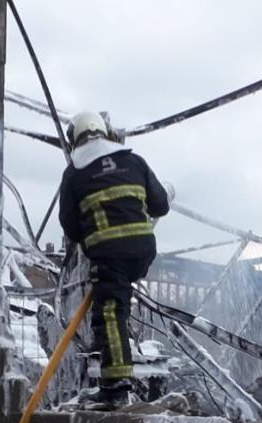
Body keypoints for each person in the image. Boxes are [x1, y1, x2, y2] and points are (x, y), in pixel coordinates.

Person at [59, 111, 171, 406]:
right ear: (104, 132)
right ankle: (119, 367)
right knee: (118, 305)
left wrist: (92, 239)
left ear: (75, 139)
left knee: (109, 312)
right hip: (143, 250)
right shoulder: (134, 160)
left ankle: (116, 386)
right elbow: (161, 204)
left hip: (109, 253)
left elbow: (69, 225)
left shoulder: (75, 172)